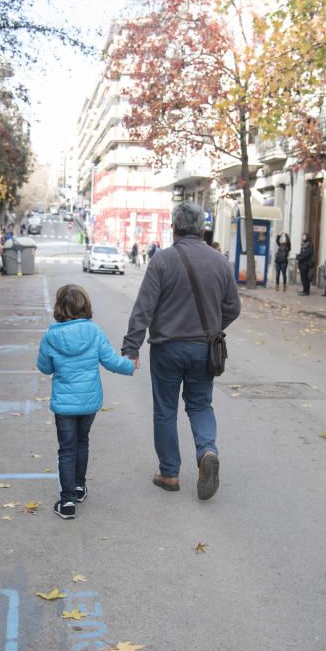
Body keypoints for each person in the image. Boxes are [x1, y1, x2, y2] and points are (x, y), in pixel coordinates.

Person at [122, 201, 241, 501]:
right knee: (200, 405)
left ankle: (169, 473)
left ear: (174, 228)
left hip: (167, 348)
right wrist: (213, 327)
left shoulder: (162, 261)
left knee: (165, 410)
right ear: (202, 229)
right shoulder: (220, 262)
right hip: (205, 349)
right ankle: (207, 451)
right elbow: (233, 308)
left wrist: (131, 348)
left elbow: (143, 309)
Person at [36, 285, 136, 519]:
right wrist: (130, 365)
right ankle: (79, 487)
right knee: (82, 442)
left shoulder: (51, 336)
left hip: (64, 404)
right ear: (86, 306)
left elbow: (44, 367)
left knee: (67, 449)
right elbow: (110, 361)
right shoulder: (94, 332)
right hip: (90, 402)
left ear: (59, 308)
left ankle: (67, 501)